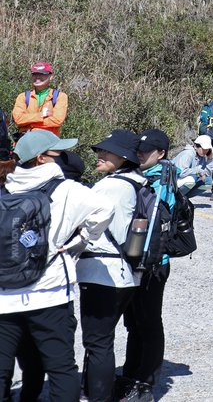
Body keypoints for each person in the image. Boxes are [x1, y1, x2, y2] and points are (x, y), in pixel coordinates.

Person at [0, 129, 114, 402]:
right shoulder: (68, 190)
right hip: (49, 294)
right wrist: (83, 238)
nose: (63, 158)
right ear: (41, 158)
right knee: (62, 369)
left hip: (4, 298)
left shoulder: (4, 187)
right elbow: (105, 209)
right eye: (58, 153)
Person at [77, 129, 143, 402]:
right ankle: (91, 391)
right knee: (101, 340)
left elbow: (83, 222)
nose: (100, 155)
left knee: (98, 343)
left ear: (124, 157)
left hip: (102, 273)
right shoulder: (137, 182)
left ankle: (98, 397)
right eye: (100, 150)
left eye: (108, 151)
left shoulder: (111, 186)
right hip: (124, 274)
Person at [115, 129, 176, 402]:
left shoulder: (163, 178)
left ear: (160, 153)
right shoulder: (139, 175)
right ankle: (130, 375)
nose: (139, 156)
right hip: (133, 260)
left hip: (153, 263)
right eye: (138, 151)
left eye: (145, 152)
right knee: (134, 323)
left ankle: (147, 384)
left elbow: (155, 221)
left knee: (149, 323)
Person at [11, 62, 68, 135]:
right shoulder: (23, 97)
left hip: (49, 143)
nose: (37, 77)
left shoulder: (60, 96)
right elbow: (18, 119)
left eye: (42, 74)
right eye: (35, 74)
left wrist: (31, 124)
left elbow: (57, 121)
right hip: (26, 143)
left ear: (51, 77)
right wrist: (42, 115)